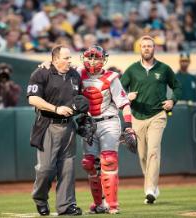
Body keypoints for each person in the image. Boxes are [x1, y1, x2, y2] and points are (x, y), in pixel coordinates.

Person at [120, 35, 182, 204]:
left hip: (158, 115)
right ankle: (153, 185)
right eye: (144, 46)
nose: (147, 48)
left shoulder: (164, 69)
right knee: (142, 155)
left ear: (155, 48)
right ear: (140, 49)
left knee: (154, 151)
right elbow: (118, 89)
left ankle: (150, 189)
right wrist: (127, 96)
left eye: (150, 46)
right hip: (137, 116)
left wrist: (172, 100)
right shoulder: (132, 69)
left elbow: (177, 86)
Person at [27, 45, 83, 216]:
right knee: (46, 169)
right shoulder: (41, 73)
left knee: (67, 168)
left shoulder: (74, 75)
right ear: (55, 59)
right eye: (66, 58)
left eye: (70, 58)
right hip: (48, 124)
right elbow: (33, 99)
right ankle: (40, 198)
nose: (69, 61)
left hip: (68, 126)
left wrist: (82, 117)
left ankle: (66, 206)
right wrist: (56, 109)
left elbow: (79, 100)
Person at [78, 46, 135, 214]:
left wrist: (129, 126)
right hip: (88, 123)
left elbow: (124, 103)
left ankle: (112, 204)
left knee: (108, 160)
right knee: (89, 163)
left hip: (109, 122)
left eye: (96, 57)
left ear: (103, 59)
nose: (93, 61)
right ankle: (98, 204)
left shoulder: (112, 77)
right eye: (90, 57)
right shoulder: (78, 74)